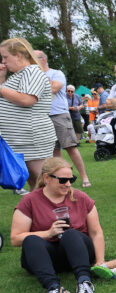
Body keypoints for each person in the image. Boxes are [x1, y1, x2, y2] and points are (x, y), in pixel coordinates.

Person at [10, 157, 105, 293]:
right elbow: (15, 238)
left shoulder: (80, 198)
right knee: (31, 239)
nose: (68, 184)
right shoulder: (30, 201)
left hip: (78, 251)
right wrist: (48, 233)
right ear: (47, 178)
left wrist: (100, 261)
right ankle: (54, 289)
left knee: (71, 234)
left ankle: (84, 282)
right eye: (63, 180)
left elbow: (96, 232)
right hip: (45, 258)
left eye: (71, 179)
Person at [0, 38, 56, 190]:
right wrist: (1, 79)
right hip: (22, 139)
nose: (3, 61)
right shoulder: (21, 74)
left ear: (18, 55)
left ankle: (62, 205)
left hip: (32, 139)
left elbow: (27, 99)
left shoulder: (32, 72)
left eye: (5, 57)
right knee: (36, 186)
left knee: (45, 184)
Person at [34, 50, 92, 188]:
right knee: (54, 151)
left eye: (33, 58)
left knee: (70, 147)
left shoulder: (56, 73)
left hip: (59, 114)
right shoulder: (33, 76)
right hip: (43, 116)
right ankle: (63, 179)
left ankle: (84, 177)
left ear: (43, 59)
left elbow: (53, 89)